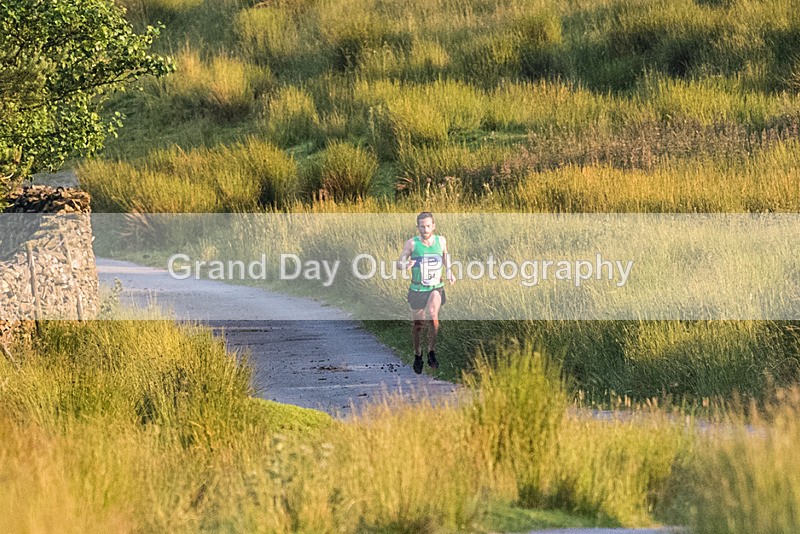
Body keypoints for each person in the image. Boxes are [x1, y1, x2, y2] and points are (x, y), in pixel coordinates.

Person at [396, 212, 455, 374]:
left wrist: (449, 271)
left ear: (433, 226)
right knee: (418, 325)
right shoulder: (412, 244)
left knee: (433, 316)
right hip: (417, 289)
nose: (425, 229)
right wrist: (405, 265)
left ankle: (431, 352)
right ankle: (418, 354)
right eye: (422, 226)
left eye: (428, 226)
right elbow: (399, 263)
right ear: (418, 227)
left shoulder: (441, 240)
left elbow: (445, 255)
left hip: (436, 286)